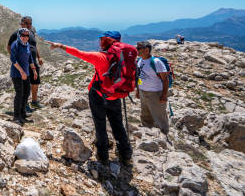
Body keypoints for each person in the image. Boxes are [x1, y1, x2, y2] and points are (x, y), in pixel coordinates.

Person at [48, 31, 133, 166]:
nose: (100, 42)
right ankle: (126, 154)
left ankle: (103, 155)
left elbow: (79, 53)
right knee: (118, 124)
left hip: (98, 95)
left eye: (102, 40)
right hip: (116, 95)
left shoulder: (99, 57)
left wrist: (60, 46)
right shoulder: (124, 58)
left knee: (100, 124)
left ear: (106, 41)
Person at [7, 16, 44, 110]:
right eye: (26, 23)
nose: (28, 25)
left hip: (32, 61)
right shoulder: (16, 33)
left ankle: (34, 101)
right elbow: (9, 46)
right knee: (25, 84)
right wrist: (15, 58)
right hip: (23, 63)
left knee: (35, 81)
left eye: (30, 23)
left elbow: (35, 46)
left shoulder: (31, 33)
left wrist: (39, 57)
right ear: (21, 23)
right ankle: (25, 104)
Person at [135, 41, 170, 135]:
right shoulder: (139, 60)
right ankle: (147, 132)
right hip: (143, 91)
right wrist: (138, 90)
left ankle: (164, 133)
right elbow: (140, 76)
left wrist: (164, 95)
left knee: (159, 115)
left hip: (155, 93)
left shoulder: (156, 62)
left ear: (146, 50)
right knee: (145, 114)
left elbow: (165, 79)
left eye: (138, 48)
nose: (136, 50)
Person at [10, 28, 34, 125]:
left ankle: (23, 114)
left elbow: (30, 58)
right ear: (19, 36)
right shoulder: (15, 44)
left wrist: (34, 70)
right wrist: (22, 72)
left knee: (26, 93)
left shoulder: (27, 45)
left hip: (26, 74)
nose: (25, 37)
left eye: (27, 36)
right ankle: (16, 116)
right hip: (17, 74)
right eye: (23, 35)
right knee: (19, 94)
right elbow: (13, 59)